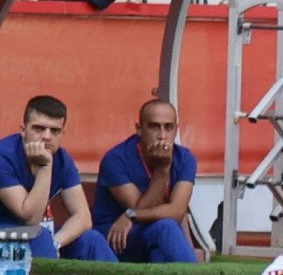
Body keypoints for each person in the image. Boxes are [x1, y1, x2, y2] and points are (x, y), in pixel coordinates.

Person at [0, 96, 118, 261]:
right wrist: (45, 167)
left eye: (55, 131)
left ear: (63, 134)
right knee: (40, 236)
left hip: (35, 237)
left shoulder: (62, 159)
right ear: (23, 130)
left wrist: (55, 243)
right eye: (39, 128)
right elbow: (30, 219)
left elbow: (83, 217)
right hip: (5, 235)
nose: (47, 136)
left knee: (92, 240)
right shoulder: (4, 156)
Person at [91, 99, 198, 263]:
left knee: (161, 254)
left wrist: (131, 215)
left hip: (151, 233)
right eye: (154, 127)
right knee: (166, 226)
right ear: (139, 129)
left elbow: (177, 211)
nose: (162, 135)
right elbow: (141, 207)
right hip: (117, 236)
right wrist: (162, 169)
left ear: (176, 130)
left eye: (168, 127)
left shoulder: (185, 158)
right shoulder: (115, 158)